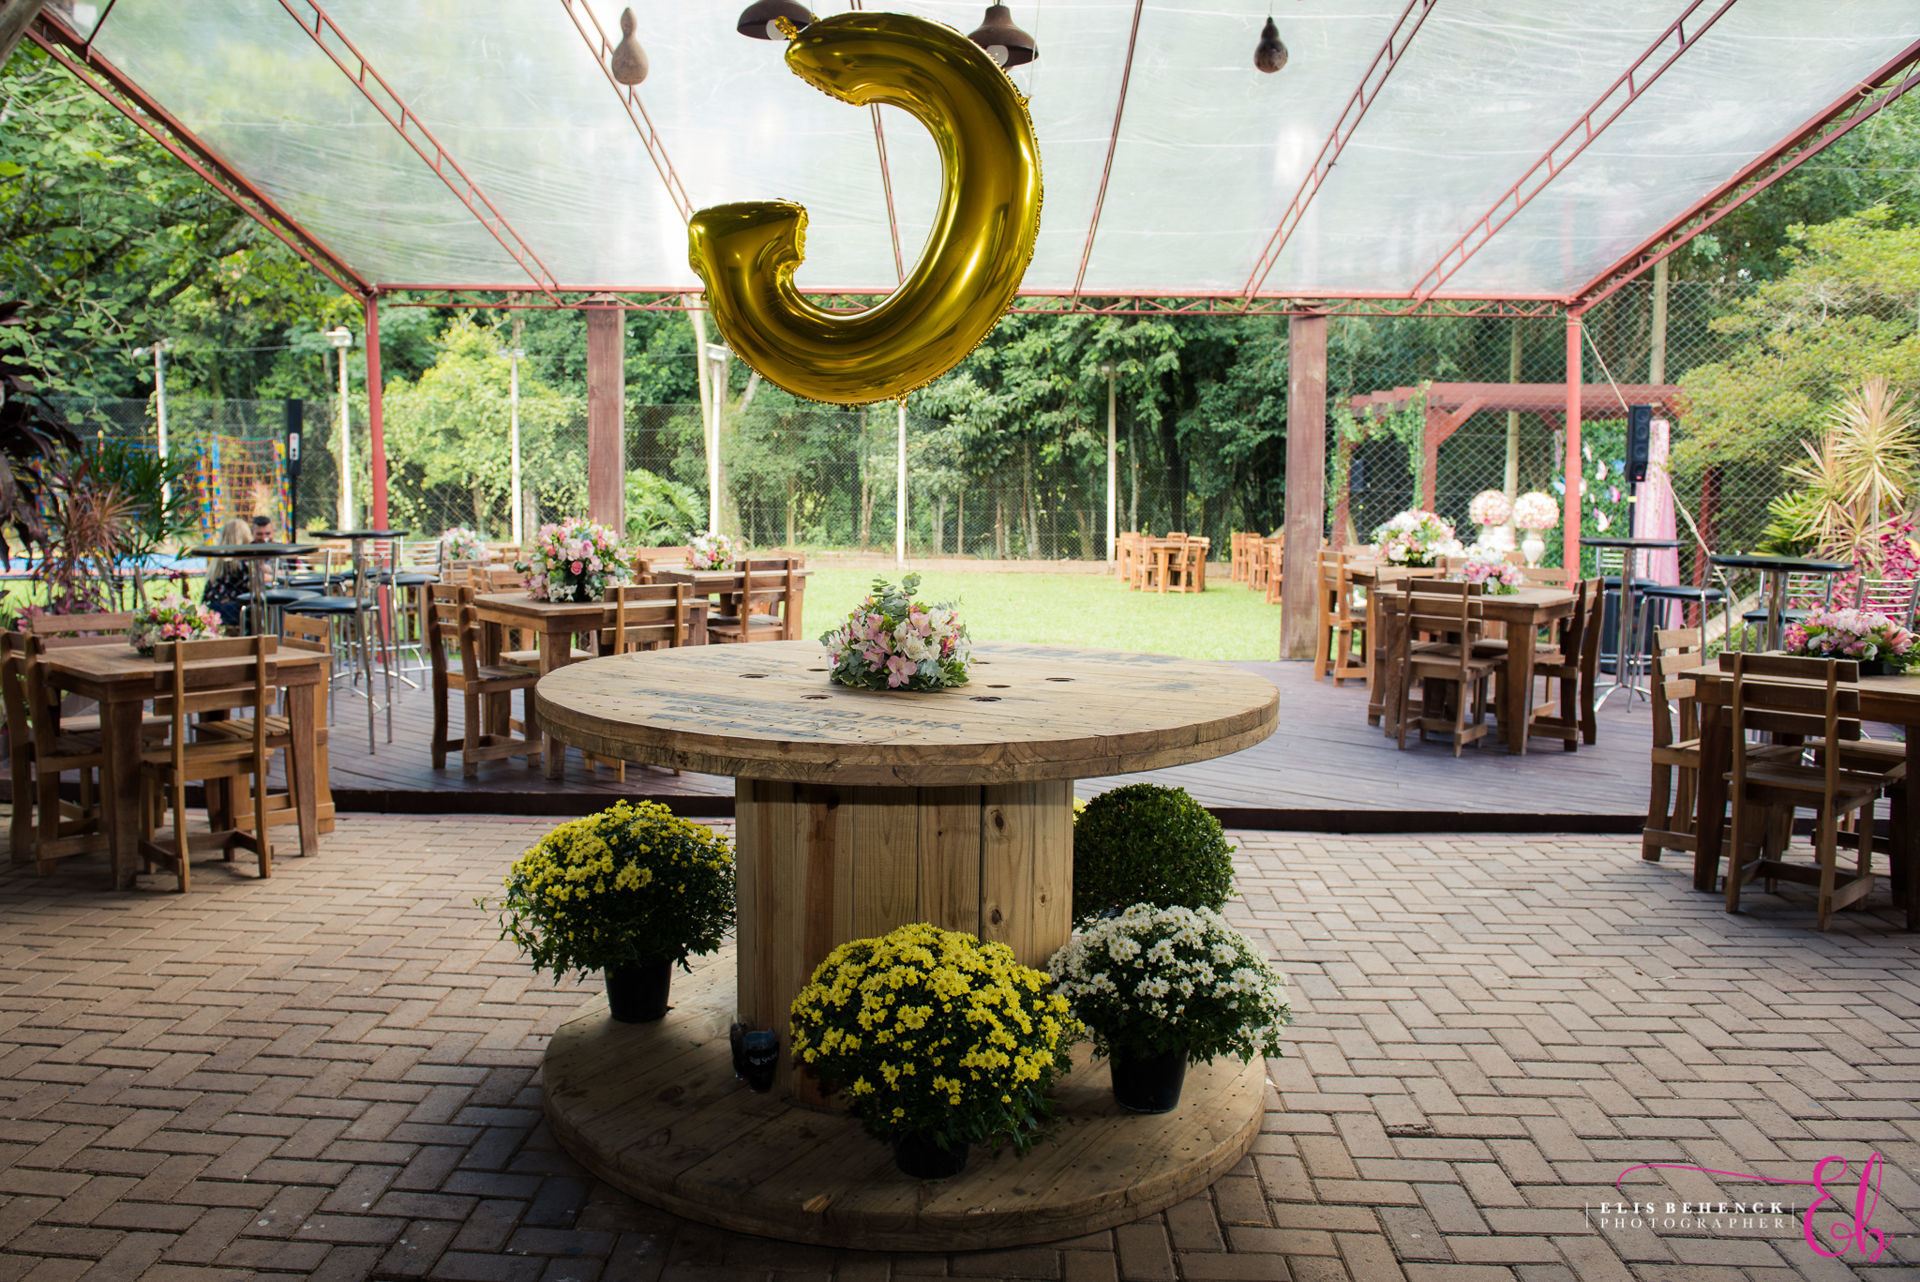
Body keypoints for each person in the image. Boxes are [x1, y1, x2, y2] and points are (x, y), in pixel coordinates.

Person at [202, 517, 254, 629]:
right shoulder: (243, 563)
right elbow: (252, 585)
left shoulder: (217, 561)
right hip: (232, 612)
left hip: (211, 609)